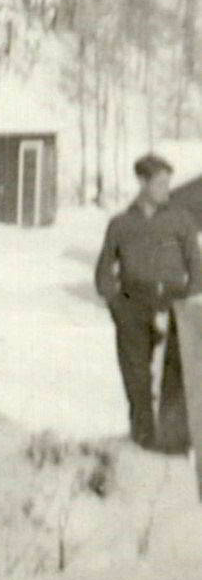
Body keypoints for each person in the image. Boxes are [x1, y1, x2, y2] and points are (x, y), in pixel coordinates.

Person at [94, 153, 201, 452]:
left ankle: (174, 442)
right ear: (142, 182)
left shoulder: (181, 220)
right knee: (136, 375)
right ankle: (142, 438)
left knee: (177, 374)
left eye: (168, 183)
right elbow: (103, 273)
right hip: (133, 304)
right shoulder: (120, 224)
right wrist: (118, 306)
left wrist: (185, 306)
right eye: (160, 183)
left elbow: (197, 266)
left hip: (174, 302)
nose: (167, 189)